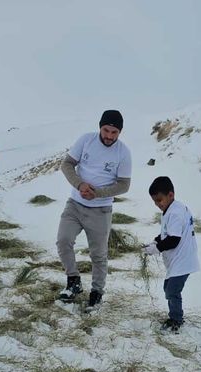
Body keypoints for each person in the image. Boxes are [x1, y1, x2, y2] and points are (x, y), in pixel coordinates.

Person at [55, 110, 132, 311]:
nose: (109, 136)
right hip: (75, 205)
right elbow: (67, 165)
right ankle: (73, 281)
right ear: (100, 127)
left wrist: (97, 193)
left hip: (101, 210)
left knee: (98, 255)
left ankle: (97, 293)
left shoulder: (123, 153)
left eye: (114, 132)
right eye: (106, 130)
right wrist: (79, 184)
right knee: (63, 241)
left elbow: (124, 185)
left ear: (120, 132)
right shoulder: (86, 140)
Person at [142, 176, 199, 333]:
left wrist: (157, 248)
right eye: (155, 202)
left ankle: (176, 320)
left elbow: (173, 239)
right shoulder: (173, 209)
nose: (158, 204)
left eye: (160, 200)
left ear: (170, 195)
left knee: (171, 291)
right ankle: (175, 316)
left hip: (183, 260)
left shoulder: (174, 213)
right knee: (169, 288)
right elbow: (167, 233)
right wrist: (155, 241)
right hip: (181, 259)